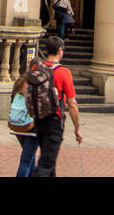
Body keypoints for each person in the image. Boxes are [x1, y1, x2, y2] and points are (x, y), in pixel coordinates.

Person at [26, 35, 82, 176]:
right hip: (54, 121)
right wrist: (77, 128)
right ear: (59, 50)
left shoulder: (36, 67)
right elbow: (72, 104)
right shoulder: (63, 72)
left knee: (48, 159)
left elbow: (25, 89)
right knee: (46, 164)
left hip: (38, 119)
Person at [8, 62, 39, 177]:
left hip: (17, 124)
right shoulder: (36, 83)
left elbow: (12, 99)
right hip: (31, 126)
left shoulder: (20, 81)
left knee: (30, 156)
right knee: (26, 160)